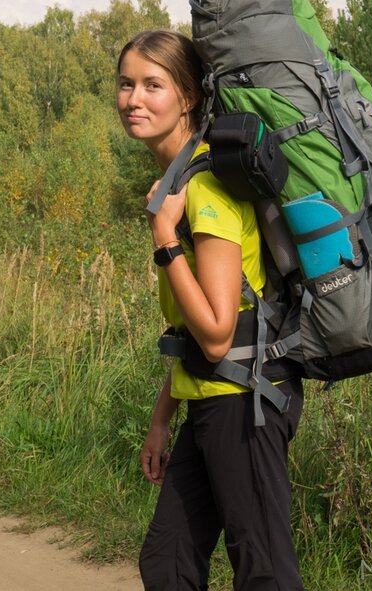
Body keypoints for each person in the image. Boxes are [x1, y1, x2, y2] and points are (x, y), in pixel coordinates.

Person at [116, 29, 304, 591]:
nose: (134, 99)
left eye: (154, 85)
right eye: (126, 84)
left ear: (189, 97)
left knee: (264, 572)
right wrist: (159, 419)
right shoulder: (179, 179)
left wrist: (164, 236)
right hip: (209, 397)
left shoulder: (207, 186)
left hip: (244, 402)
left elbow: (219, 333)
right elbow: (189, 331)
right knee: (168, 561)